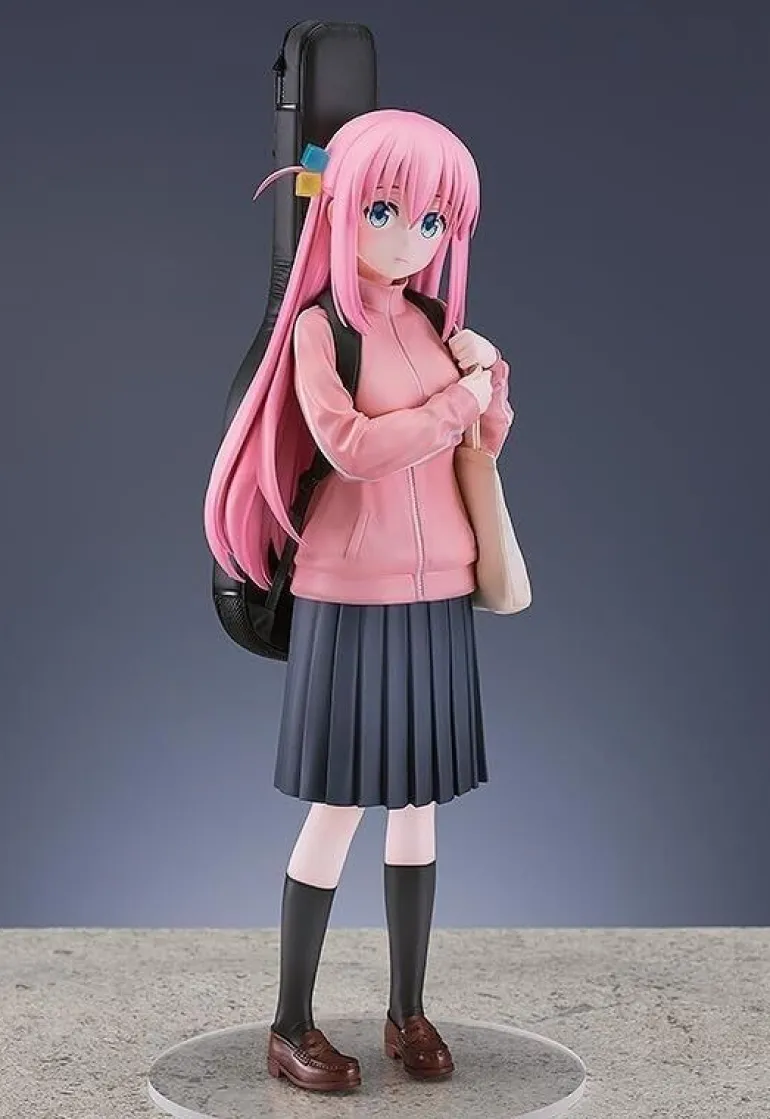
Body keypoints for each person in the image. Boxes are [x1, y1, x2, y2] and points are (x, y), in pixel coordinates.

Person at [203, 108, 514, 1092]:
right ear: (336, 205)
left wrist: (489, 385)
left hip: (438, 589)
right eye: (385, 210)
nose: (410, 237)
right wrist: (457, 400)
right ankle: (289, 1025)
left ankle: (405, 1011)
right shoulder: (320, 328)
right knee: (338, 807)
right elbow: (353, 447)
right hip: (351, 591)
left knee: (418, 806)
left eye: (432, 221)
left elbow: (474, 445)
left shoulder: (428, 320)